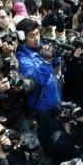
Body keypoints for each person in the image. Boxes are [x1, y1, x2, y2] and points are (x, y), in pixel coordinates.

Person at [16, 18, 61, 153]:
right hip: (41, 105)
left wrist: (55, 56)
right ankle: (49, 152)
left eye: (37, 33)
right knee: (45, 131)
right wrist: (46, 61)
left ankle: (62, 146)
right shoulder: (23, 58)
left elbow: (53, 64)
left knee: (59, 126)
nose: (36, 38)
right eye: (31, 36)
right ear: (23, 37)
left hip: (54, 98)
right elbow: (36, 81)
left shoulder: (41, 46)